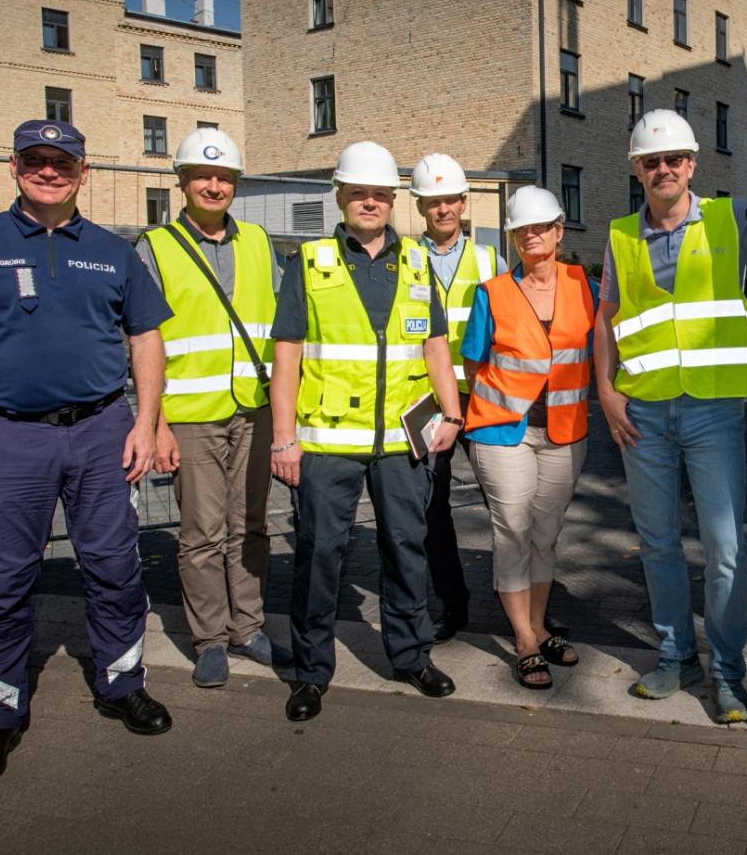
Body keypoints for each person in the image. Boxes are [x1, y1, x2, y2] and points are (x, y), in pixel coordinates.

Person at [0, 120, 176, 790]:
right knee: (4, 579)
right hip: (6, 436)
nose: (49, 171)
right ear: (14, 165)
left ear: (84, 172)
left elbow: (146, 338)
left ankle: (121, 684)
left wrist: (145, 423)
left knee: (114, 566)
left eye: (63, 161)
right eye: (36, 159)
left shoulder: (114, 252)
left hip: (101, 431)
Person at [596, 111, 747, 722]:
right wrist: (606, 392)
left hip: (713, 412)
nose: (663, 169)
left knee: (725, 549)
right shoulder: (621, 235)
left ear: (692, 164)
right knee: (658, 545)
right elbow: (606, 318)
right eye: (651, 162)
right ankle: (677, 657)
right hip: (641, 413)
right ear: (638, 170)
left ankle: (726, 670)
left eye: (674, 159)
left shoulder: (732, 218)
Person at [270, 141, 464, 722]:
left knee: (406, 548)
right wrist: (283, 438)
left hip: (402, 442)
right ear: (340, 197)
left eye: (381, 194)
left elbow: (435, 347)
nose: (371, 203)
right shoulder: (309, 262)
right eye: (360, 193)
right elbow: (287, 356)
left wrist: (452, 414)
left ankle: (411, 657)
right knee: (319, 554)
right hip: (328, 442)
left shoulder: (416, 263)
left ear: (394, 200)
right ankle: (311, 672)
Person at [135, 128, 291, 688]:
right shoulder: (154, 248)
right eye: (202, 176)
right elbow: (142, 339)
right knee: (201, 532)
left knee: (251, 525)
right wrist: (155, 424)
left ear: (236, 185)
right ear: (182, 182)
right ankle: (210, 639)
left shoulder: (259, 242)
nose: (214, 186)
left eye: (224, 177)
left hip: (253, 407)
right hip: (189, 414)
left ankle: (248, 627)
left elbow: (283, 322)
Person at [459, 186, 596, 690]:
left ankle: (538, 626)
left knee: (545, 534)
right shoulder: (491, 292)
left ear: (560, 231)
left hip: (564, 432)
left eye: (540, 227)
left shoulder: (586, 286)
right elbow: (473, 363)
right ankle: (524, 641)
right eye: (521, 229)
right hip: (502, 432)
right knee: (513, 532)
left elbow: (602, 349)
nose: (530, 236)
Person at [409, 153, 505, 643]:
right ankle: (453, 604)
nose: (443, 209)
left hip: (482, 397)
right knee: (432, 508)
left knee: (505, 503)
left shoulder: (490, 260)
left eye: (450, 200)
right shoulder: (405, 260)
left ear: (464, 203)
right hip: (427, 402)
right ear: (420, 206)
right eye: (433, 202)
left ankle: (523, 603)